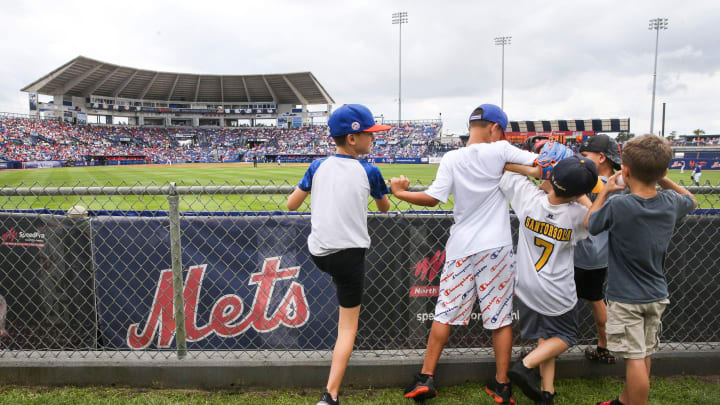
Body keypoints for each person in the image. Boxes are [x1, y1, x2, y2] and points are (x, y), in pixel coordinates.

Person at [391, 104, 537, 404]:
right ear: (495, 128)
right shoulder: (500, 150)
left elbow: (433, 198)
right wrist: (512, 166)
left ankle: (426, 377)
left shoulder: (452, 158)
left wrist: (400, 193)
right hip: (495, 246)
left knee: (444, 312)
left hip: (460, 247)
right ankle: (502, 384)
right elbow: (541, 165)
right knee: (500, 318)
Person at [287, 104, 391, 405]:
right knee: (347, 327)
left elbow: (292, 204)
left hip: (319, 252)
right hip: (349, 257)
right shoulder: (369, 170)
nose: (374, 139)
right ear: (353, 138)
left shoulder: (317, 166)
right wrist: (395, 188)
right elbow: (384, 208)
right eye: (370, 134)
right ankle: (329, 395)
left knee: (335, 267)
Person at [586, 134, 697, 405]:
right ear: (664, 171)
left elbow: (591, 224)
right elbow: (691, 200)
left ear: (625, 170)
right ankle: (626, 400)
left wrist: (605, 191)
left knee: (634, 358)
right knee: (643, 352)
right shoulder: (670, 203)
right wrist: (662, 179)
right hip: (656, 295)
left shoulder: (619, 204)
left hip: (626, 298)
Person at [501, 156, 597, 405]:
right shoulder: (578, 214)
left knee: (546, 337)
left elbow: (503, 167)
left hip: (527, 286)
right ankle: (525, 366)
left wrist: (538, 172)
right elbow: (595, 218)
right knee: (566, 336)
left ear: (553, 179)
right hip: (557, 290)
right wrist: (581, 195)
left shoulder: (527, 196)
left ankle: (547, 391)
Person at [575, 135, 622, 365]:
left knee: (563, 301)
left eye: (585, 156)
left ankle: (546, 347)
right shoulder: (620, 184)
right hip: (600, 253)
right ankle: (604, 346)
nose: (581, 161)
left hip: (580, 251)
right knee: (596, 299)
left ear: (601, 157)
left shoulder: (595, 183)